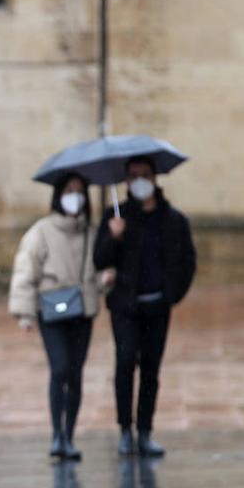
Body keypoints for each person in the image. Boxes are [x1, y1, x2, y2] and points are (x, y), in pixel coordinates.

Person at [94, 156, 196, 457]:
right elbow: (99, 259)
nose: (138, 180)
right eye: (133, 176)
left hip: (157, 306)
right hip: (125, 306)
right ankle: (125, 429)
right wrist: (113, 237)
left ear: (154, 178)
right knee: (125, 363)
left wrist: (172, 295)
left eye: (144, 175)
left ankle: (145, 431)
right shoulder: (117, 217)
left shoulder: (173, 219)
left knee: (151, 369)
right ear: (125, 181)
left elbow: (187, 261)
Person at [9, 173, 106, 461]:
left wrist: (105, 279)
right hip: (51, 312)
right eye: (68, 191)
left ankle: (69, 435)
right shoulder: (41, 231)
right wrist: (24, 313)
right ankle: (56, 433)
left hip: (83, 311)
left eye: (79, 191)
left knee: (75, 374)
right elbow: (26, 272)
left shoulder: (93, 231)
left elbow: (97, 272)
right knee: (60, 369)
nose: (74, 196)